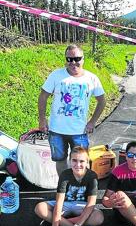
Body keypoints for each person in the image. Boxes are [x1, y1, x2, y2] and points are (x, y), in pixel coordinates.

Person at [38, 44, 106, 175]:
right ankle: (64, 187)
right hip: (56, 130)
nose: (73, 62)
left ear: (83, 59)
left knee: (81, 161)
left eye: (77, 59)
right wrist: (42, 120)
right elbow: (43, 96)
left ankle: (80, 188)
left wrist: (92, 122)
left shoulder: (91, 78)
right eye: (69, 59)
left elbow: (102, 101)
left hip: (79, 131)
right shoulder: (56, 76)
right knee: (60, 160)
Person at [35, 146, 104, 226]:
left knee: (99, 217)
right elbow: (59, 202)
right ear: (69, 161)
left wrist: (73, 224)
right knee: (40, 208)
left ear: (87, 162)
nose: (78, 165)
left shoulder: (92, 176)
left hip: (82, 206)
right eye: (74, 160)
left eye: (81, 161)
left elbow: (91, 203)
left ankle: (55, 222)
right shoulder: (65, 174)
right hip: (65, 204)